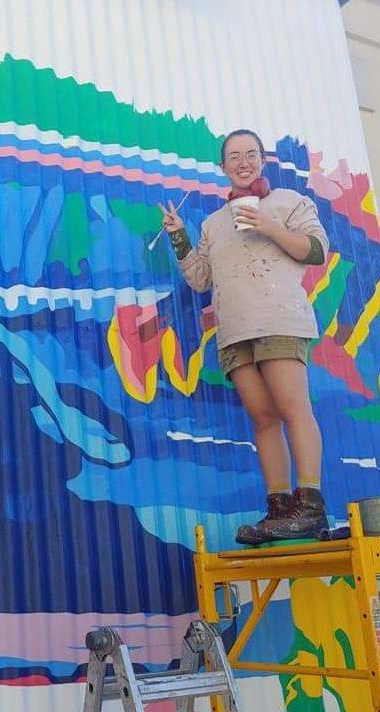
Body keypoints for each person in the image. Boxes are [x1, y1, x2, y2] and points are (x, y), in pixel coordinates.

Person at [159, 129, 330, 545]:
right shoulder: (216, 223)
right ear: (222, 167)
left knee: (293, 408)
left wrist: (268, 225)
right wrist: (179, 235)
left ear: (262, 159)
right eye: (234, 156)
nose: (243, 162)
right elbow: (200, 278)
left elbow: (317, 250)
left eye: (250, 154)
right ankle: (278, 508)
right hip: (235, 332)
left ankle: (310, 506)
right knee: (263, 418)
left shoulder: (290, 202)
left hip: (279, 320)